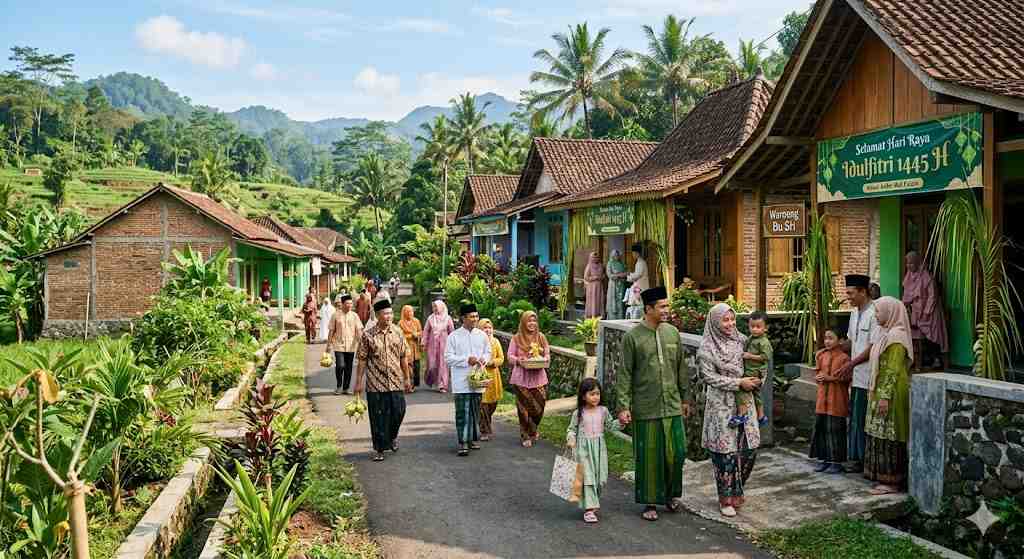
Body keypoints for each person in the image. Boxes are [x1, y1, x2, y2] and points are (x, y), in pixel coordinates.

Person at [618, 286, 690, 521]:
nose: (667, 310)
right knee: (649, 456)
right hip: (646, 406)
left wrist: (685, 398)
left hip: (672, 404)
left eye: (667, 305)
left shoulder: (672, 333)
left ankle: (670, 494)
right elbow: (625, 373)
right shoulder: (633, 337)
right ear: (648, 309)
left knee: (677, 452)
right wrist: (624, 406)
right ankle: (650, 501)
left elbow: (681, 367)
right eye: (662, 306)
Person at [699, 302, 762, 518]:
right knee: (725, 454)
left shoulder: (742, 340)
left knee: (749, 448)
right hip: (721, 406)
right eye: (725, 320)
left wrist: (757, 378)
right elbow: (709, 377)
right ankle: (725, 498)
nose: (730, 323)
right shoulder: (707, 348)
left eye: (732, 319)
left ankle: (738, 489)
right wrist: (738, 383)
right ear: (715, 322)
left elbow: (758, 361)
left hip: (744, 402)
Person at [864, 297, 914, 494]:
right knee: (879, 432)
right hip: (881, 390)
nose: (876, 315)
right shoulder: (885, 333)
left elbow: (893, 369)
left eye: (878, 312)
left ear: (890, 312)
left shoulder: (897, 337)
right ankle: (882, 477)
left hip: (891, 392)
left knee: (890, 433)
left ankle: (892, 481)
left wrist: (884, 396)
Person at [354, 298, 413, 462]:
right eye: (385, 314)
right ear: (378, 315)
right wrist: (358, 381)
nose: (389, 316)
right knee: (378, 417)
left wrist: (407, 378)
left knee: (399, 411)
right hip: (375, 383)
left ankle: (392, 436)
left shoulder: (398, 332)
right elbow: (362, 360)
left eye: (390, 313)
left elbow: (403, 357)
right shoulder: (368, 335)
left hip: (395, 381)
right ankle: (379, 448)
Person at [836, 274, 879, 474]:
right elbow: (851, 342)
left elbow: (873, 347)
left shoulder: (875, 313)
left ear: (863, 291)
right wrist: (832, 350)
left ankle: (861, 460)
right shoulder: (854, 314)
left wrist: (850, 364)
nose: (849, 297)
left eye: (851, 293)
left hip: (868, 374)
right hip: (856, 375)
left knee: (862, 419)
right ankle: (854, 457)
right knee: (854, 418)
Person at [566, 377, 621, 524]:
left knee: (599, 478)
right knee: (588, 478)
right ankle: (589, 509)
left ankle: (592, 502)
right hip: (583, 450)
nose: (595, 397)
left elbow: (611, 426)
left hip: (599, 450)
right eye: (591, 394)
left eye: (597, 393)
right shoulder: (578, 413)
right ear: (583, 396)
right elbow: (571, 429)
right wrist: (571, 438)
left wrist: (621, 422)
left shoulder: (603, 411)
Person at [444, 303, 492, 456]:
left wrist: (483, 359)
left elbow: (488, 351)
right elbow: (448, 358)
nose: (475, 319)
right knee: (462, 412)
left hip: (478, 380)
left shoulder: (482, 335)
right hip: (461, 382)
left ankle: (471, 439)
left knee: (474, 411)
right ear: (463, 318)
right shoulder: (454, 336)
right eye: (471, 316)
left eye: (476, 316)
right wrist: (466, 360)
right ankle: (463, 442)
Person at [809, 328, 852, 474]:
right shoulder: (821, 356)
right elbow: (818, 372)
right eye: (826, 338)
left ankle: (837, 463)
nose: (827, 341)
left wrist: (830, 379)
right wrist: (819, 377)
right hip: (822, 401)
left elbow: (847, 378)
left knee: (835, 430)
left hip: (837, 401)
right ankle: (825, 460)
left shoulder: (844, 358)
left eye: (831, 338)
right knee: (822, 429)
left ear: (840, 340)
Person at [508, 311, 551, 447]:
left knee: (539, 407)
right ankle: (525, 434)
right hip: (521, 378)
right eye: (529, 321)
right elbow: (509, 356)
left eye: (534, 321)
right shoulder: (516, 338)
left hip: (539, 378)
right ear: (523, 322)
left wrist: (546, 358)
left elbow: (547, 352)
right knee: (523, 408)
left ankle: (533, 429)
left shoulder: (541, 337)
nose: (532, 323)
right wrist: (518, 360)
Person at [901, 251, 949, 369]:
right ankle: (918, 362)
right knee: (915, 336)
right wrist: (905, 305)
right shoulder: (909, 277)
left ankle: (937, 359)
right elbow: (907, 295)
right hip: (916, 311)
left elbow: (932, 296)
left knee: (934, 336)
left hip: (930, 312)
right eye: (907, 263)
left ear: (918, 263)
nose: (909, 266)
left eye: (912, 263)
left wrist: (926, 312)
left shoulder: (927, 277)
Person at [737, 311, 772, 427]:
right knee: (757, 394)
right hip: (751, 369)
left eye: (758, 327)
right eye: (752, 326)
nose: (755, 329)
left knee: (741, 389)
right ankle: (761, 416)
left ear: (766, 328)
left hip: (755, 371)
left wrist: (750, 356)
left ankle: (743, 414)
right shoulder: (751, 338)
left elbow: (766, 357)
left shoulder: (764, 342)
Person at [328, 294, 363, 395]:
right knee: (340, 366)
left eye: (351, 303)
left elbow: (358, 330)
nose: (349, 305)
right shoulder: (335, 315)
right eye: (347, 303)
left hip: (351, 346)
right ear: (342, 304)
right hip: (338, 344)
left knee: (349, 368)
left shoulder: (354, 316)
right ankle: (339, 386)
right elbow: (331, 330)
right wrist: (328, 345)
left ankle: (346, 388)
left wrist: (361, 344)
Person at [477, 318, 505, 441]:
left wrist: (492, 362)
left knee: (492, 404)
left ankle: (486, 424)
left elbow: (501, 358)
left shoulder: (495, 342)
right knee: (483, 406)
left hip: (494, 376)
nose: (488, 330)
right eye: (485, 328)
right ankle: (484, 430)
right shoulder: (476, 342)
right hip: (481, 376)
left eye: (490, 328)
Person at [423, 300, 455, 392]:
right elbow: (426, 331)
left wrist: (453, 345)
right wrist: (424, 342)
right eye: (433, 307)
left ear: (441, 307)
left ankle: (442, 384)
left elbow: (452, 332)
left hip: (444, 345)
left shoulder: (448, 318)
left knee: (443, 364)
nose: (434, 309)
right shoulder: (430, 318)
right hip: (432, 345)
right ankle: (432, 379)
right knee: (432, 365)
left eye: (436, 307)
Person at [398, 305, 423, 390]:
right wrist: (410, 335)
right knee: (408, 367)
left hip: (415, 347)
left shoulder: (416, 321)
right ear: (405, 313)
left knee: (416, 366)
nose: (411, 313)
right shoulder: (401, 323)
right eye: (408, 312)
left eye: (412, 311)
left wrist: (417, 334)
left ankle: (414, 383)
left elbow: (420, 331)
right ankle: (409, 385)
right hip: (406, 347)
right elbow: (399, 335)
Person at [606, 249, 627, 320]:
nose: (616, 257)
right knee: (613, 301)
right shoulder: (610, 263)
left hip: (621, 285)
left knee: (620, 302)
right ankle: (612, 318)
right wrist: (620, 275)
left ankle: (620, 317)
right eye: (615, 255)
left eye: (617, 255)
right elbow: (609, 275)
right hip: (613, 286)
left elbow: (626, 273)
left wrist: (622, 275)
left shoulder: (621, 263)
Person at [583, 252, 606, 318]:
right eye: (594, 257)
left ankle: (599, 314)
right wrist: (594, 278)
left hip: (599, 285)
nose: (596, 259)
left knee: (599, 300)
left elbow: (604, 274)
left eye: (597, 257)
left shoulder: (601, 265)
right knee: (593, 300)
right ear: (591, 258)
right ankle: (592, 315)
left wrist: (602, 277)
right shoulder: (589, 266)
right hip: (592, 286)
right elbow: (586, 277)